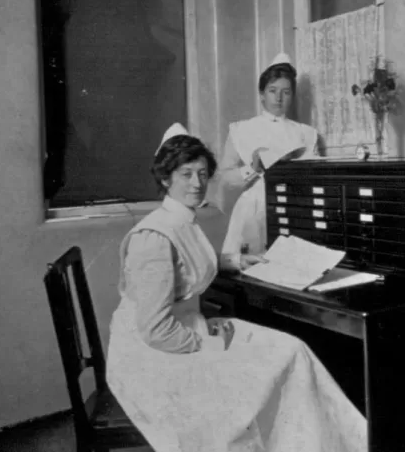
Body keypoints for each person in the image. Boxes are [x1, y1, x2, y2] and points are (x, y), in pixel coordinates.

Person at [106, 124, 367, 452]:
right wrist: (208, 343)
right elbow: (155, 329)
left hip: (183, 330)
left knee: (292, 349)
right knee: (264, 372)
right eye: (186, 174)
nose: (197, 183)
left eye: (202, 173)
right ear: (164, 179)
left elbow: (184, 264)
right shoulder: (153, 237)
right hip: (152, 353)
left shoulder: (180, 219)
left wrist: (230, 260)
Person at [219, 53, 319, 269]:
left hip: (294, 207)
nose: (279, 98)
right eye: (273, 91)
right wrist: (253, 168)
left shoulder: (306, 133)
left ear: (292, 96)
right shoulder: (242, 129)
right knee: (254, 269)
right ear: (262, 94)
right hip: (253, 209)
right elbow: (225, 178)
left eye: (286, 92)